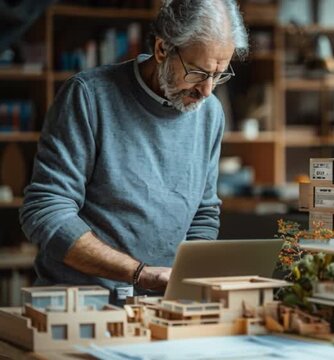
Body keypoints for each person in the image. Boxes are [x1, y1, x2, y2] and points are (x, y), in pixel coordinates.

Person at [19, 0, 248, 300]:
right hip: (81, 304)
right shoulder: (89, 97)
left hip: (161, 307)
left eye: (218, 75)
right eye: (197, 73)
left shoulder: (210, 114)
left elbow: (203, 215)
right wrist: (139, 272)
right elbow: (45, 211)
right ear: (163, 49)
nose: (206, 90)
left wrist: (186, 282)